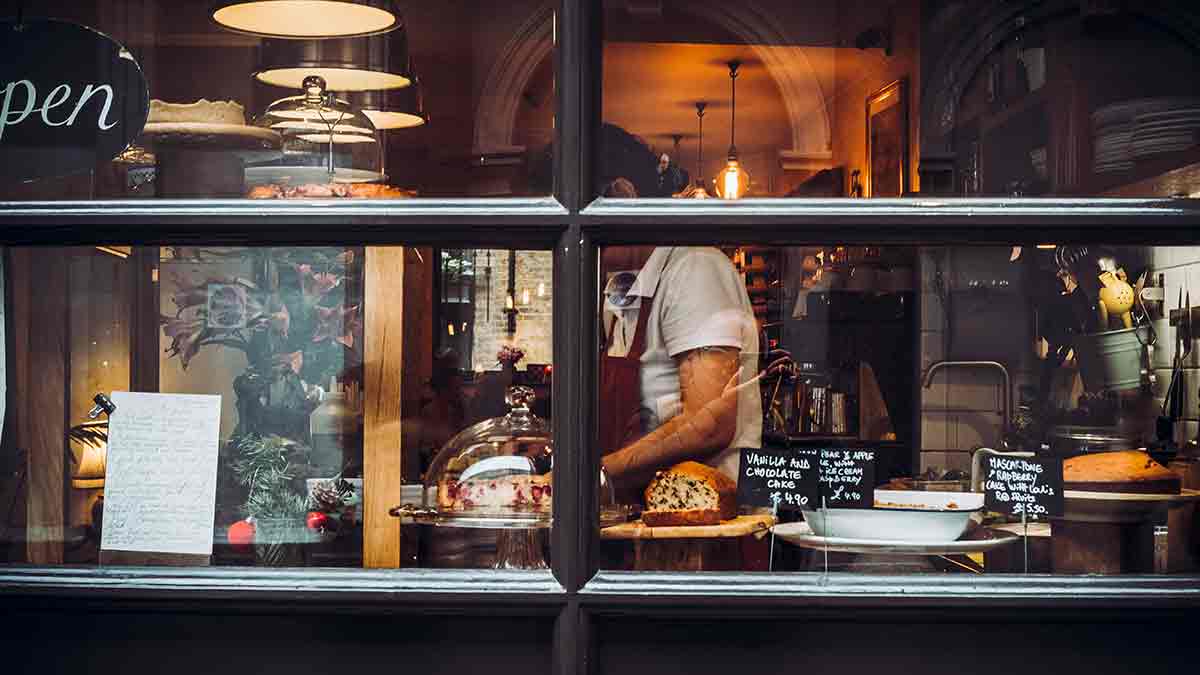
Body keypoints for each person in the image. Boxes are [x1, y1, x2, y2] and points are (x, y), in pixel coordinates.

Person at [598, 246, 762, 493]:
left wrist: (597, 472)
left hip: (704, 518)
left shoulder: (696, 269)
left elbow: (709, 425)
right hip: (637, 511)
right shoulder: (621, 286)